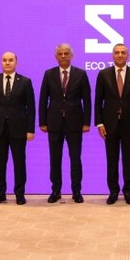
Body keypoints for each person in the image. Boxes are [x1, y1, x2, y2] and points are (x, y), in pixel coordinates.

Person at [38, 43, 92, 204]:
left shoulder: (81, 74)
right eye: (60, 54)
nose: (63, 56)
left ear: (71, 56)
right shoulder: (49, 74)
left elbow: (87, 100)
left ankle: (77, 191)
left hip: (75, 123)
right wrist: (42, 122)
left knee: (75, 159)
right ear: (56, 57)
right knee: (55, 159)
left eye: (66, 53)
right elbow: (43, 99)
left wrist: (86, 122)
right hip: (54, 123)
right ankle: (56, 191)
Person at [95, 44, 130, 205]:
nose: (120, 55)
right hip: (109, 125)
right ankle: (113, 191)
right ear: (112, 55)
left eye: (123, 52)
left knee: (129, 160)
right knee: (112, 160)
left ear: (127, 55)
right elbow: (98, 101)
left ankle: (128, 190)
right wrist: (99, 123)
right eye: (117, 52)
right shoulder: (103, 74)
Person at [0, 52, 36, 205]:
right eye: (4, 60)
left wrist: (30, 130)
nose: (7, 63)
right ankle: (0, 194)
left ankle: (19, 194)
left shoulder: (25, 82)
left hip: (19, 129)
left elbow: (31, 108)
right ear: (1, 62)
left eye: (11, 60)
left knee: (19, 163)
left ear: (16, 63)